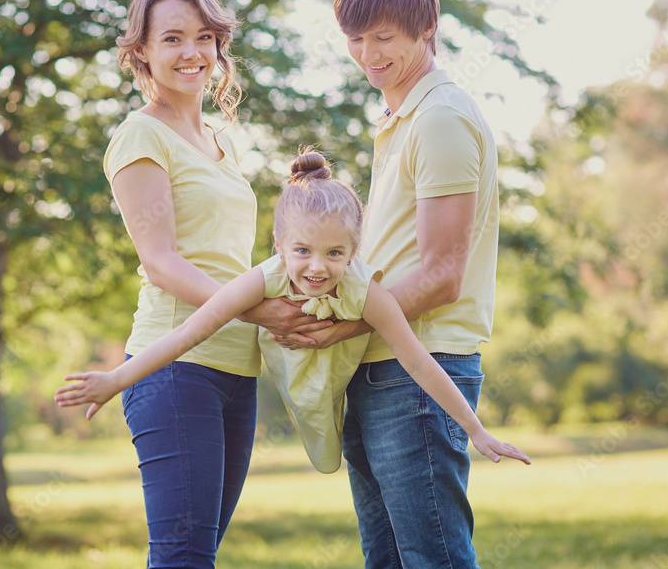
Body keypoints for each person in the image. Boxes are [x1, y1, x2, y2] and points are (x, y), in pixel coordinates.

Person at [56, 151, 530, 479]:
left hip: (340, 370)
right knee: (320, 446)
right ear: (279, 246)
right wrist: (116, 379)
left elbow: (420, 362)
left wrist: (475, 430)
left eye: (334, 253)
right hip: (292, 369)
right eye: (302, 250)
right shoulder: (263, 279)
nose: (317, 267)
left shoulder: (369, 292)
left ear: (354, 252)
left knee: (334, 448)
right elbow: (188, 332)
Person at [267, 0, 511, 568]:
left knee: (434, 561)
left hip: (419, 371)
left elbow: (441, 275)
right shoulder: (400, 119)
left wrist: (341, 326)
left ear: (427, 29)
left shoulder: (440, 121)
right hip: (378, 365)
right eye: (355, 39)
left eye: (384, 38)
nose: (369, 55)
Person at [89, 0, 302, 569]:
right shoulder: (139, 136)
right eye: (173, 38)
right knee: (182, 557)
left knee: (198, 554)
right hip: (176, 367)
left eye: (204, 37)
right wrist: (255, 307)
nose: (192, 53)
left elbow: (233, 258)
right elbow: (161, 261)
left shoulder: (222, 142)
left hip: (238, 367)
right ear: (142, 53)